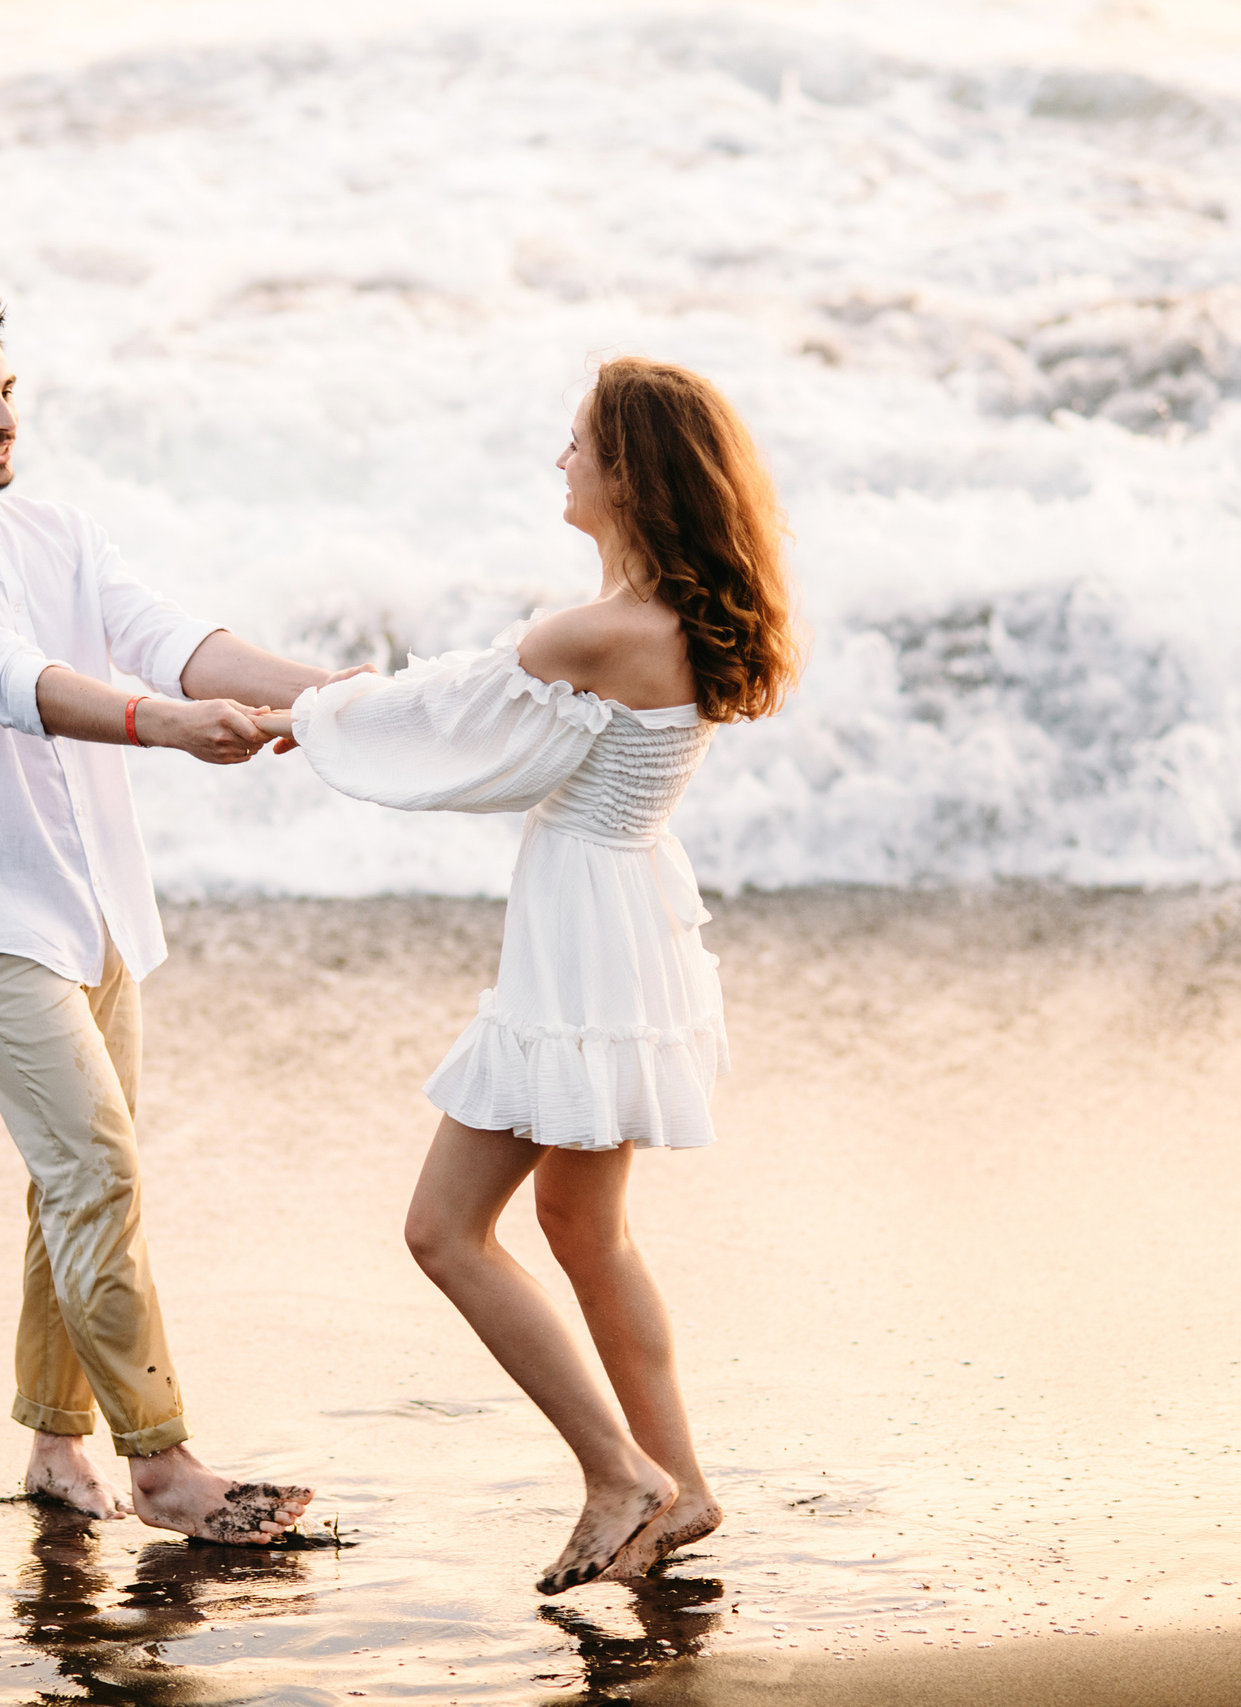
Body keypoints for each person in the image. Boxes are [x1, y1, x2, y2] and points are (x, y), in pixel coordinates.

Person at [257, 357, 803, 1593]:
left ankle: (621, 1476)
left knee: (445, 1231)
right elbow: (461, 713)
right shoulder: (673, 621)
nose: (560, 461)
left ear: (630, 474)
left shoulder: (592, 632)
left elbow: (452, 733)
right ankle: (682, 1485)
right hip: (622, 924)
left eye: (577, 444)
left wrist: (317, 716)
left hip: (581, 945)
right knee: (583, 1229)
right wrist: (343, 706)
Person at [0, 297, 335, 1544]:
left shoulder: (57, 535)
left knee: (69, 1184)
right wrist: (170, 731)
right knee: (96, 1171)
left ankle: (58, 1445)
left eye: (6, 391)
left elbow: (172, 640)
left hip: (98, 909)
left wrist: (335, 697)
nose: (4, 418)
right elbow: (16, 686)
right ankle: (163, 1466)